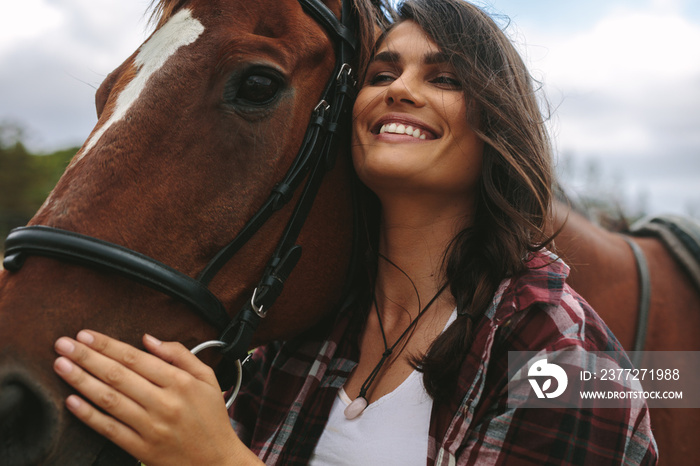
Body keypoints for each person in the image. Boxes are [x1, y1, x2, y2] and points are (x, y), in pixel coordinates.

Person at [52, 0, 658, 464]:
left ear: (498, 125)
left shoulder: (565, 357)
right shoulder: (303, 336)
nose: (400, 88)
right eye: (382, 73)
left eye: (443, 79)